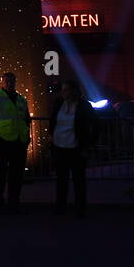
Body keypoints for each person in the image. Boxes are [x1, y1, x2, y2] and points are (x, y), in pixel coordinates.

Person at [0, 72, 31, 213]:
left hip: (19, 142)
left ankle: (13, 202)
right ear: (2, 82)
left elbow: (26, 119)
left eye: (12, 81)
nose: (10, 83)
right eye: (7, 81)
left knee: (16, 174)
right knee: (1, 174)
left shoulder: (21, 99)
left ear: (15, 82)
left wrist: (26, 138)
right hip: (3, 142)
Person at [50, 78, 97, 217]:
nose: (63, 93)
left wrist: (88, 143)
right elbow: (53, 120)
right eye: (63, 90)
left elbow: (97, 124)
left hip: (76, 148)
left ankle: (79, 209)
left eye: (66, 90)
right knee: (61, 181)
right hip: (60, 147)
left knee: (78, 181)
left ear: (73, 91)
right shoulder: (59, 103)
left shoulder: (84, 106)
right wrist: (50, 134)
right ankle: (61, 208)